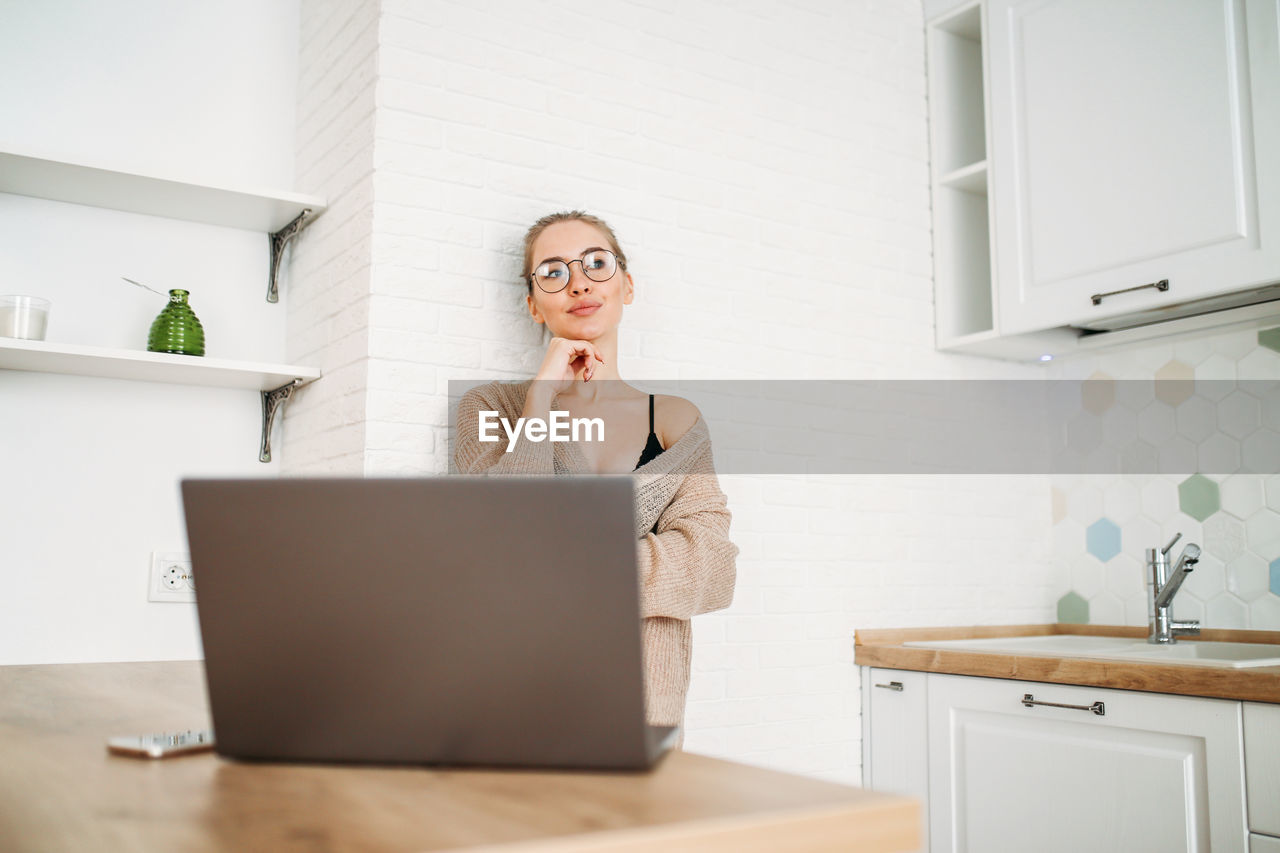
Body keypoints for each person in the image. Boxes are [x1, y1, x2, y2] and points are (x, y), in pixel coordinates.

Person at [453, 210, 738, 746]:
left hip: (643, 706)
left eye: (596, 263)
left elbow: (714, 568)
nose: (578, 281)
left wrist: (557, 564)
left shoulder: (678, 420)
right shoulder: (491, 406)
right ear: (534, 305)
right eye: (553, 272)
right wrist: (540, 399)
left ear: (626, 286)